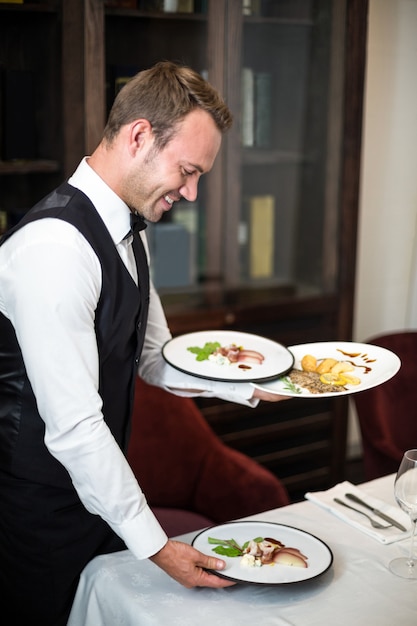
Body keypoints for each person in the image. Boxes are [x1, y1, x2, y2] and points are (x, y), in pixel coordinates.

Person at [0, 61, 286, 625]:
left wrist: (252, 383)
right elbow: (77, 426)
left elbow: (155, 360)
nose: (193, 192)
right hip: (34, 515)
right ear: (138, 137)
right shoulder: (53, 250)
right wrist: (157, 545)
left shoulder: (128, 230)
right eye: (187, 170)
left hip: (97, 501)